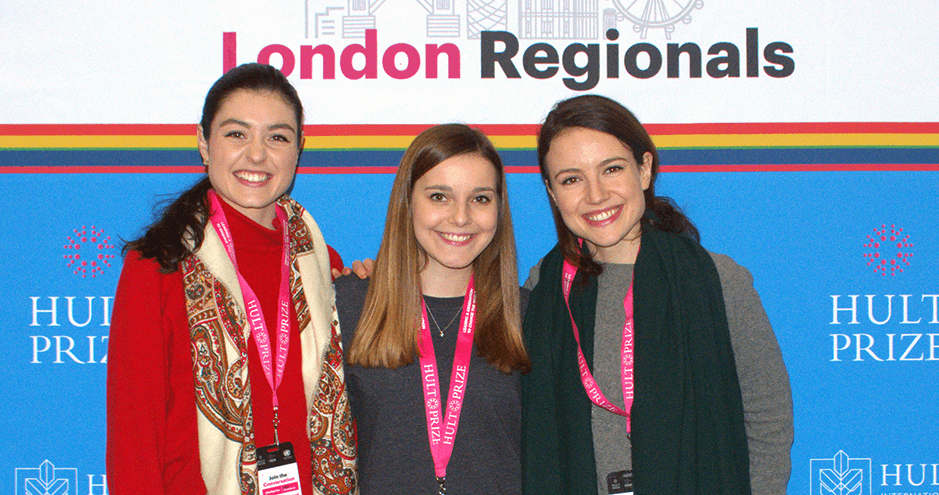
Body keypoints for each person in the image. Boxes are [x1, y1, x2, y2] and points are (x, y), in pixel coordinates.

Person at [521, 94, 793, 495]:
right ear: (551, 191)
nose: (595, 195)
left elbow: (768, 426)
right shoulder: (541, 290)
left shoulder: (720, 282)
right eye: (571, 179)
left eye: (611, 169)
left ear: (645, 169)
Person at [106, 63, 357, 495]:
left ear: (299, 149)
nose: (257, 155)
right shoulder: (158, 267)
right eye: (236, 134)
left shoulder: (320, 261)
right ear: (204, 143)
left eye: (277, 137)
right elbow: (134, 439)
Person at [335, 124, 530, 494]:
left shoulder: (528, 316)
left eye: (481, 198)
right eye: (439, 197)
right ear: (408, 202)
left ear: (499, 209)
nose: (460, 217)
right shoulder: (349, 305)